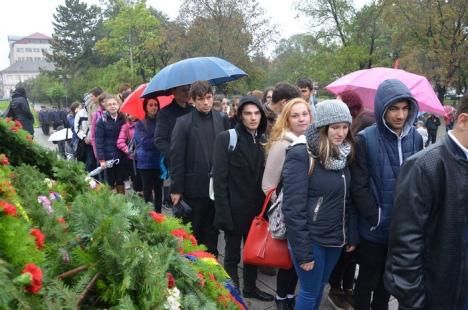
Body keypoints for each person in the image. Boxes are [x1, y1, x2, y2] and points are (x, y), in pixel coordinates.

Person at [384, 94, 468, 310]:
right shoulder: (424, 166)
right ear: (463, 121)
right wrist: (414, 302)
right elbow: (405, 245)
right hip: (435, 297)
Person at [351, 79, 423, 310]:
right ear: (383, 107)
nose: (400, 115)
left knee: (388, 283)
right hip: (374, 230)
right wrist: (376, 217)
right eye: (394, 108)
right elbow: (359, 187)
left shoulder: (417, 138)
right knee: (366, 282)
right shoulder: (366, 138)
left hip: (403, 229)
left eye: (404, 108)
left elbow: (420, 182)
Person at [282, 100, 358, 310]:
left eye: (345, 127)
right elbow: (292, 208)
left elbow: (347, 198)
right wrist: (303, 252)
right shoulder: (302, 153)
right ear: (323, 127)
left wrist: (350, 233)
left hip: (333, 238)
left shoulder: (343, 153)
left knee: (320, 287)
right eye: (335, 127)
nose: (341, 133)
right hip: (311, 239)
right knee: (308, 291)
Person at [213, 96, 273, 302]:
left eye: (256, 113)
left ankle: (250, 288)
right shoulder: (226, 138)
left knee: (253, 253)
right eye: (248, 113)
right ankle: (232, 292)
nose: (253, 118)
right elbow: (219, 180)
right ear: (240, 116)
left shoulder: (263, 139)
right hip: (232, 208)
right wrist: (223, 213)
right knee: (231, 255)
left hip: (256, 210)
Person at [262, 98, 313, 310]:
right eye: (295, 115)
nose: (301, 119)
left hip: (306, 213)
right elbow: (267, 185)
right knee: (287, 261)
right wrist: (286, 206)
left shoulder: (312, 141)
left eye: (304, 114)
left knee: (297, 261)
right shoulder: (283, 144)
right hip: (289, 212)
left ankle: (291, 294)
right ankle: (281, 297)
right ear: (287, 119)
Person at [170, 81, 229, 255]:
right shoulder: (183, 122)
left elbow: (228, 151)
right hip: (194, 187)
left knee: (213, 230)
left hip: (216, 187)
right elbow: (176, 157)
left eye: (209, 98)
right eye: (201, 99)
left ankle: (213, 264)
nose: (206, 102)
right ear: (193, 100)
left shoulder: (222, 119)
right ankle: (196, 265)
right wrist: (176, 189)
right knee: (195, 231)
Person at [134, 97, 163, 211]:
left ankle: (159, 214)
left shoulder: (161, 121)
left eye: (155, 105)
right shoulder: (140, 123)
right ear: (145, 107)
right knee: (147, 191)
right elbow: (143, 142)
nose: (154, 107)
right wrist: (158, 140)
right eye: (151, 105)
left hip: (159, 161)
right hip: (145, 163)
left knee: (159, 190)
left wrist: (155, 139)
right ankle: (149, 215)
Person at [95, 94, 126, 193]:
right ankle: (112, 204)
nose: (112, 106)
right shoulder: (102, 121)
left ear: (118, 105)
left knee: (121, 180)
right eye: (109, 105)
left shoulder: (123, 118)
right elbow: (98, 141)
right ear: (106, 107)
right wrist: (101, 159)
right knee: (110, 182)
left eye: (114, 104)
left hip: (121, 155)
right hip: (108, 157)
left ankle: (122, 204)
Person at [75, 93, 96, 172]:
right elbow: (77, 128)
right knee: (88, 162)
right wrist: (84, 137)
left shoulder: (96, 112)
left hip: (94, 140)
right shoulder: (80, 114)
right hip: (85, 142)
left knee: (94, 162)